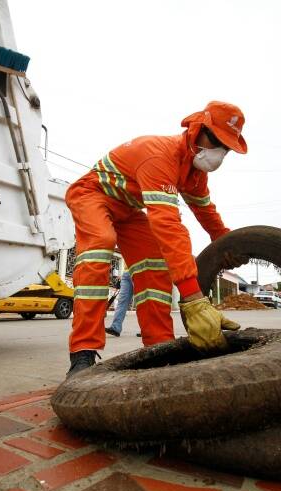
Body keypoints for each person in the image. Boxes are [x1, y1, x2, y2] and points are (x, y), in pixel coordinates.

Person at [65, 101, 249, 376]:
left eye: (226, 148)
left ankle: (161, 349)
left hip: (128, 210)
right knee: (101, 244)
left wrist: (227, 245)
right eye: (215, 140)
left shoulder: (195, 175)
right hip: (92, 194)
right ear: (197, 129)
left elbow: (207, 214)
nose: (219, 153)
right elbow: (167, 224)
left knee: (156, 267)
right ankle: (82, 354)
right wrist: (193, 299)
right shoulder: (160, 155)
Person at [105, 270, 133, 337]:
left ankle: (145, 329)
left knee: (141, 301)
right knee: (122, 301)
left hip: (138, 272)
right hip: (127, 274)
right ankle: (115, 328)